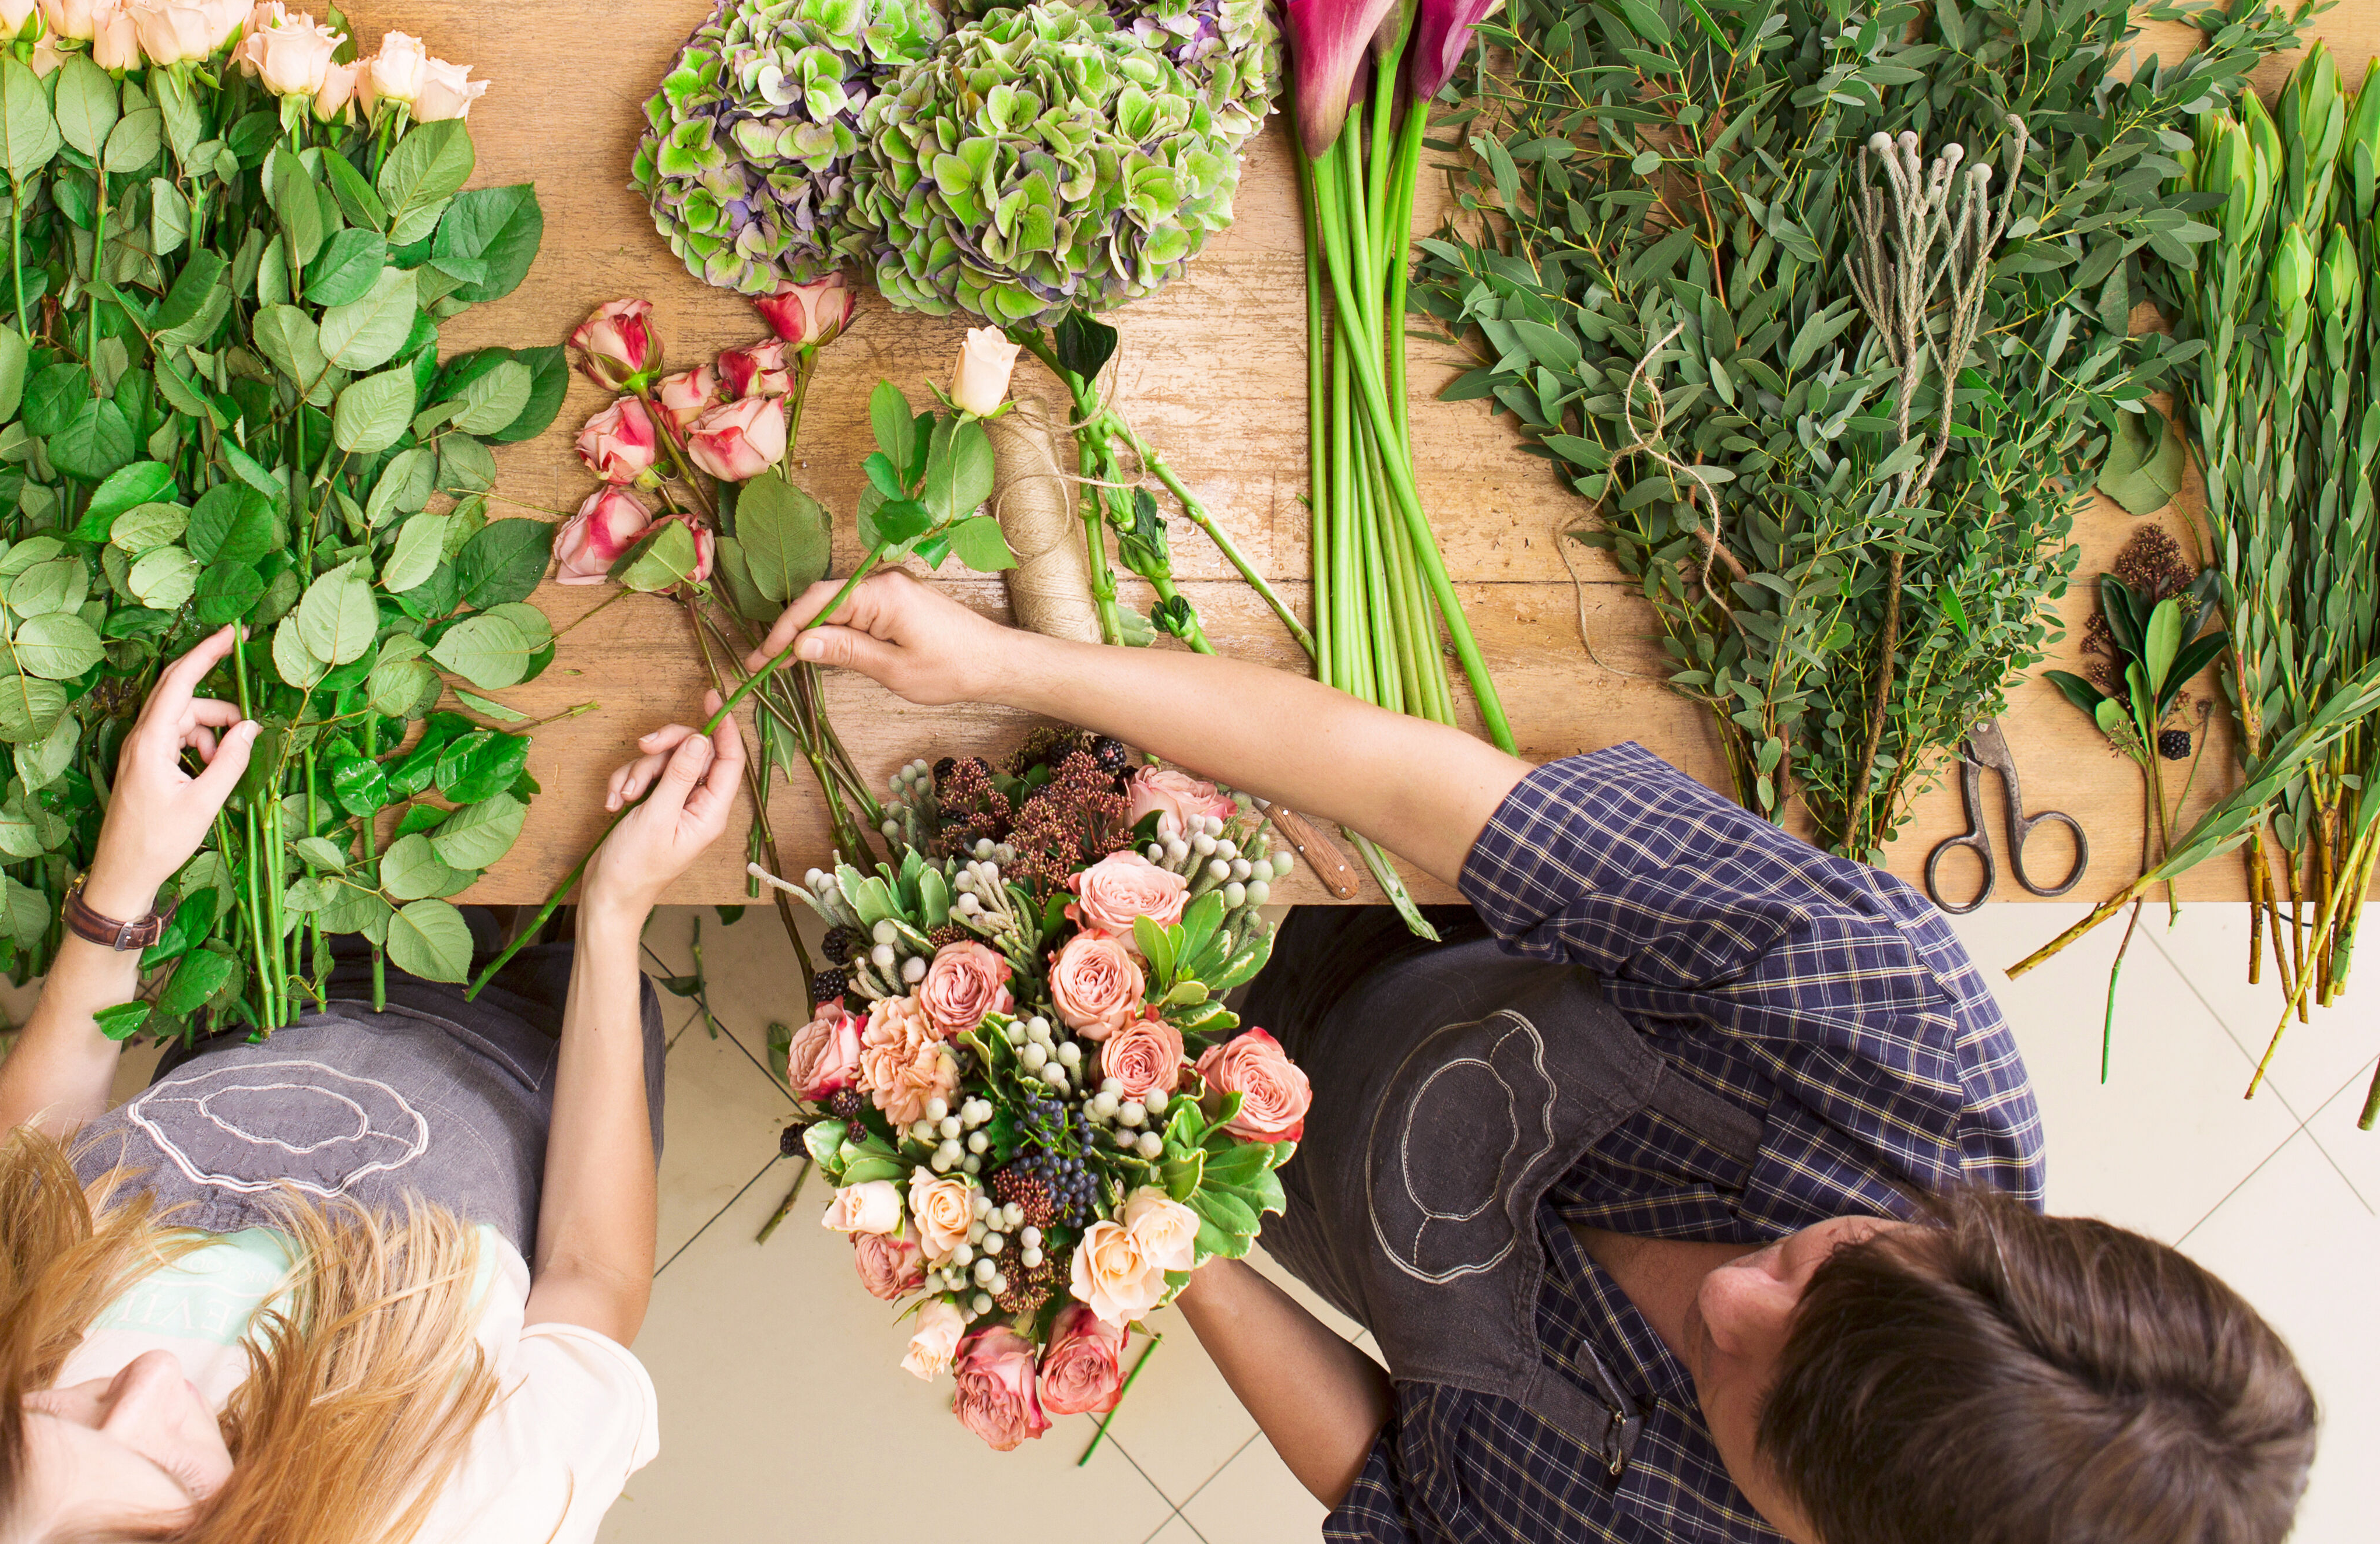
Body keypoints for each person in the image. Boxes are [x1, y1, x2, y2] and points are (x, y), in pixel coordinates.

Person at [751, 572, 2318, 1544]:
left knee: (832, 904)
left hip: (1245, 1166)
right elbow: (1434, 792)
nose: (1730, 1295)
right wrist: (1016, 663)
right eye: (1820, 1256)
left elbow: (1387, 1484)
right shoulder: (1898, 1037)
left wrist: (1139, 1202)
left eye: (1740, 1389)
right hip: (1357, 881)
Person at [0, 625, 747, 1543]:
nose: (147, 1380)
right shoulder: (446, 1516)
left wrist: (125, 885)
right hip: (531, 1046)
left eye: (55, 1405)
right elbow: (592, 1276)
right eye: (164, 1481)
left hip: (255, 996)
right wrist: (616, 913)